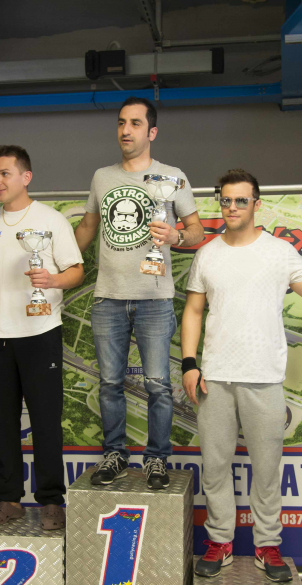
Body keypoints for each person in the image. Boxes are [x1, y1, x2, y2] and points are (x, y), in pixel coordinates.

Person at [182, 169, 302, 583]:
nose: (232, 207)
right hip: (215, 377)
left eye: (241, 200)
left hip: (265, 377)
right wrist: (189, 363)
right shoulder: (208, 254)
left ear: (256, 204)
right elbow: (194, 310)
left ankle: (267, 545)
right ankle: (219, 542)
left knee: (267, 469)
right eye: (226, 200)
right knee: (215, 467)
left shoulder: (279, 252)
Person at [74, 97, 204, 490]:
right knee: (109, 384)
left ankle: (157, 460)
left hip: (155, 299)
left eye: (134, 123)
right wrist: (59, 262)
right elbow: (88, 227)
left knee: (158, 386)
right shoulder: (102, 177)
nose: (125, 130)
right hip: (108, 298)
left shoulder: (173, 176)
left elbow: (196, 232)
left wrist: (176, 236)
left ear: (152, 132)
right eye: (120, 123)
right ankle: (114, 455)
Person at [0, 145, 84, 528]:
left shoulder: (52, 220)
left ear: (25, 177)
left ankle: (51, 501)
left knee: (46, 421)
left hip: (40, 333)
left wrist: (52, 280)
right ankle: (8, 500)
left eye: (4, 174)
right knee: (1, 423)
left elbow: (76, 271)